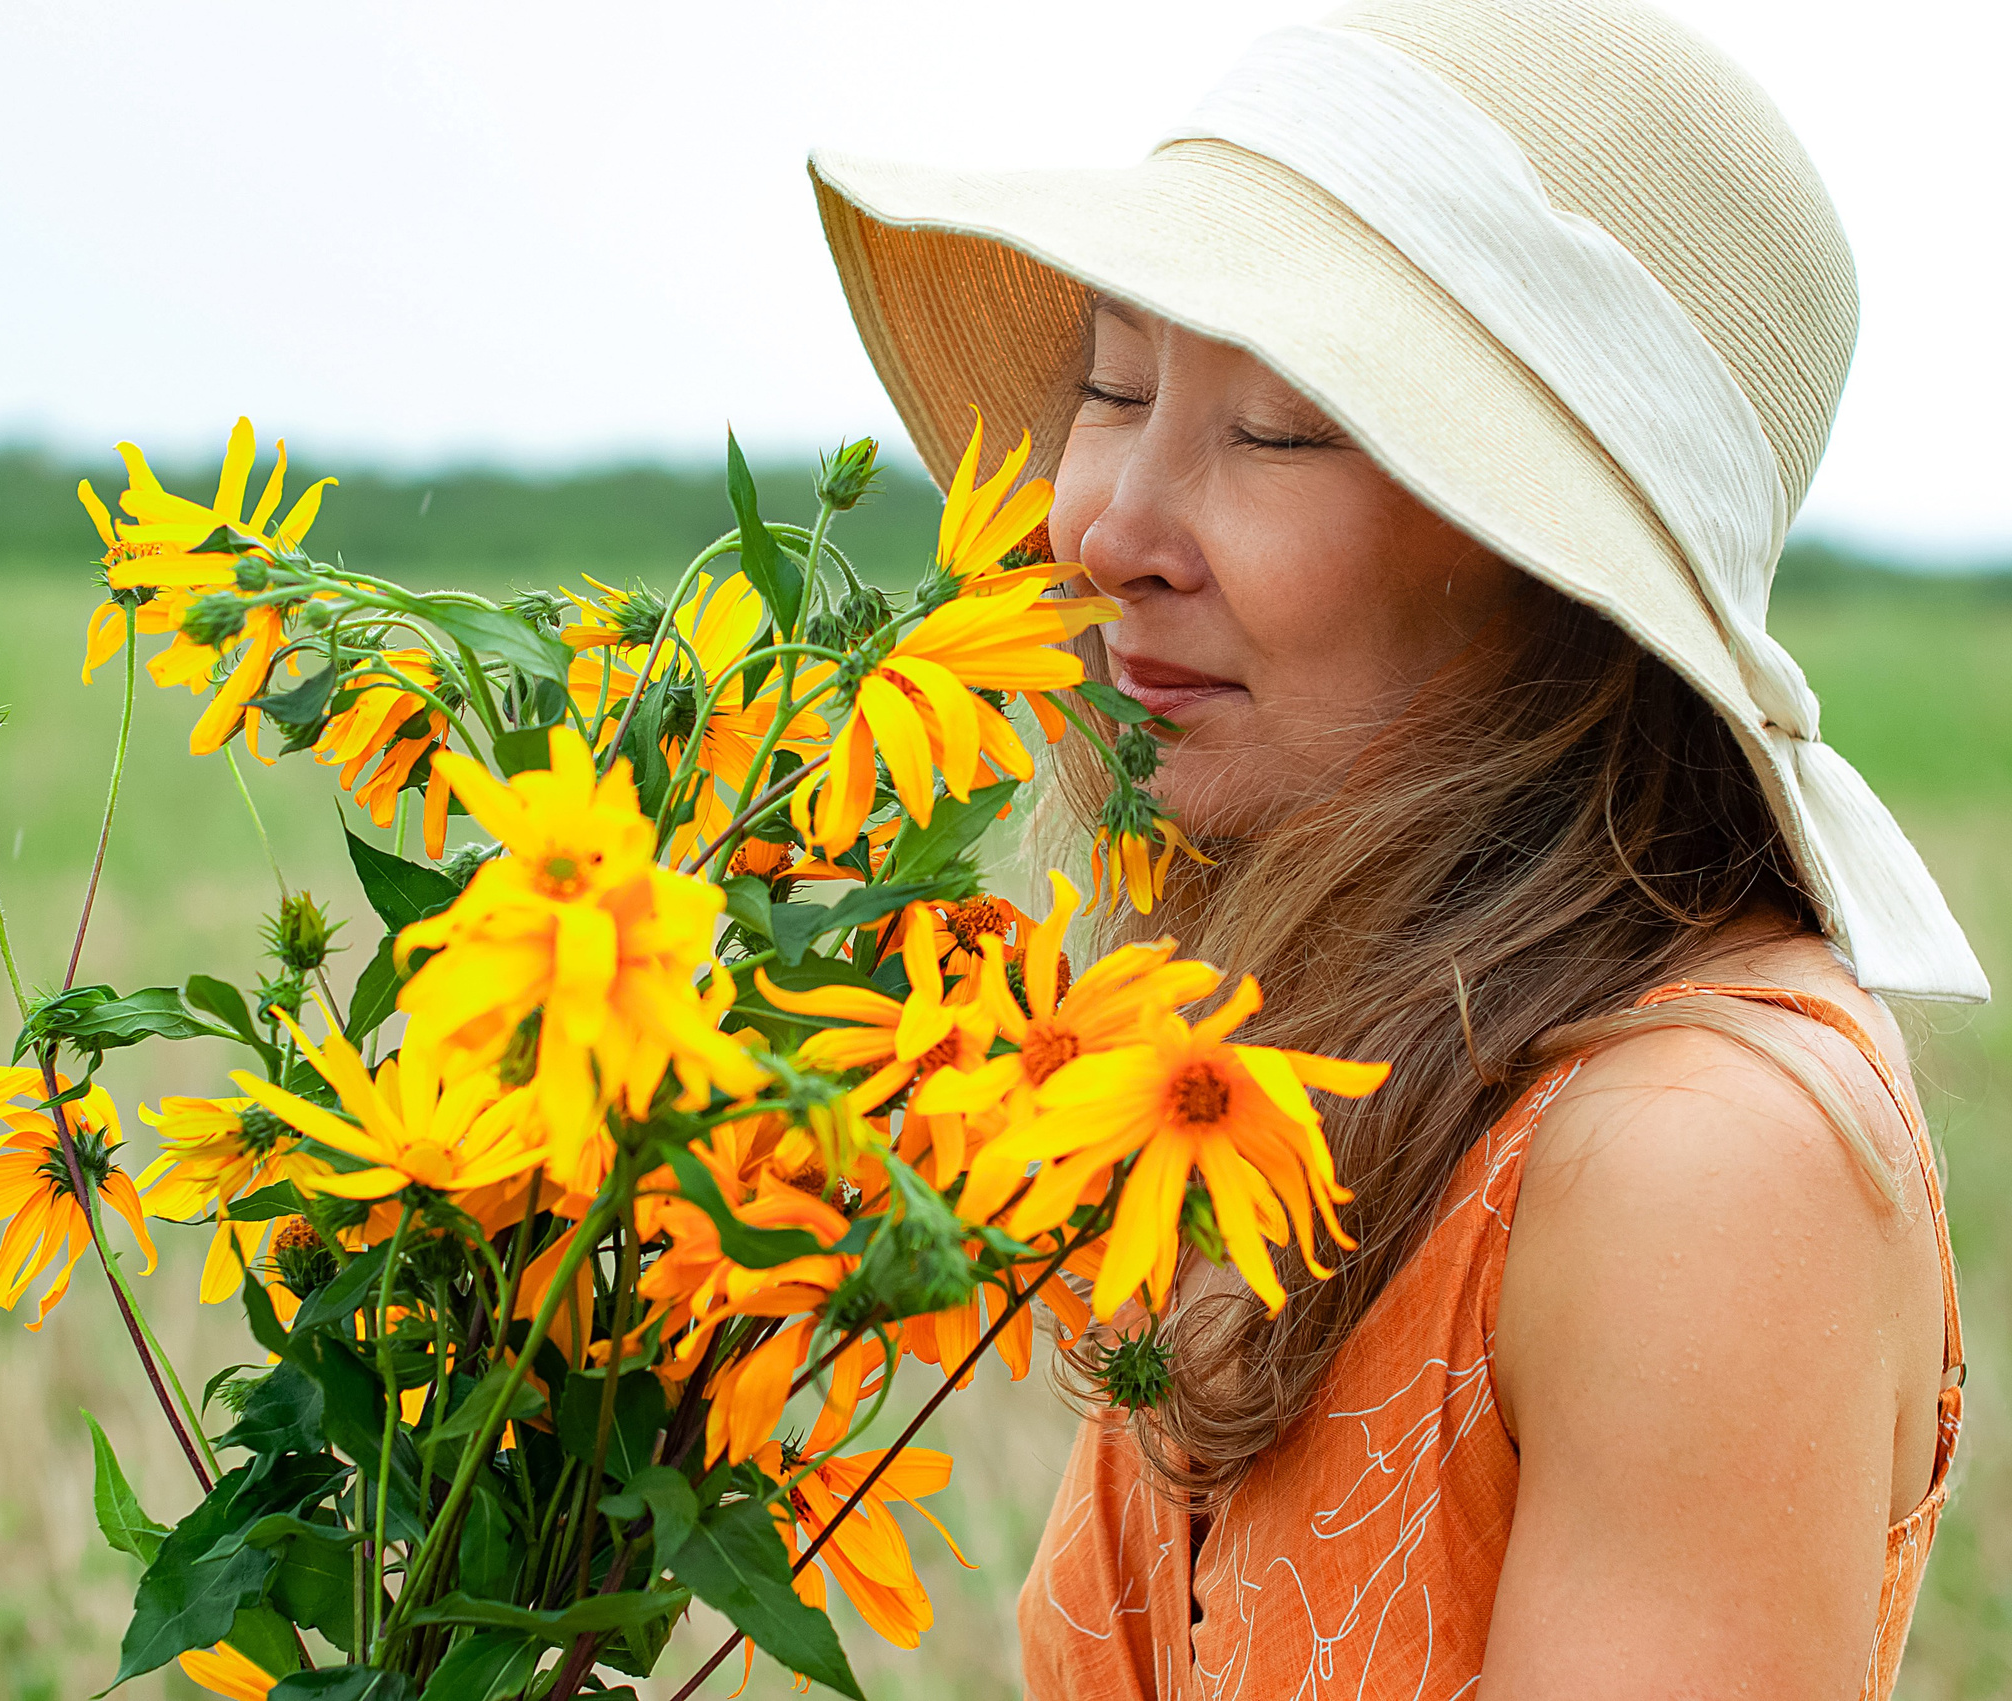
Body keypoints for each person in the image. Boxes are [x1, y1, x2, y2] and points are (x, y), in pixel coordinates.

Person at [805, 0, 1988, 1694]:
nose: (1107, 528)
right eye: (1114, 384)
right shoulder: (1286, 1047)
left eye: (1277, 428)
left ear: (1553, 570)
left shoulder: (1701, 1166)